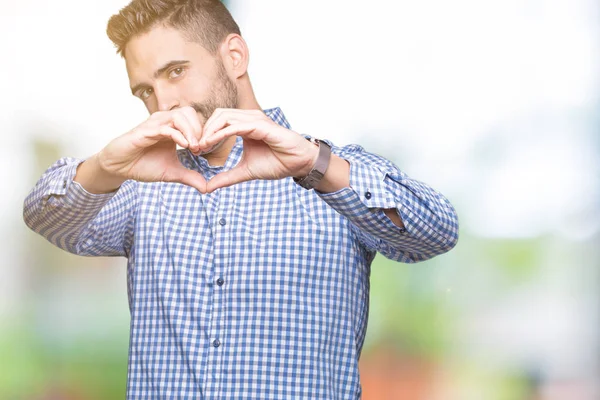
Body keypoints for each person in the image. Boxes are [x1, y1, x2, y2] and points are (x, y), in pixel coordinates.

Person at [23, 0, 459, 398]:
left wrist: (313, 164)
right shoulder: (140, 186)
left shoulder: (333, 175)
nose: (163, 105)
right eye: (145, 91)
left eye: (176, 72)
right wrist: (105, 165)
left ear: (234, 56)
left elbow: (437, 232)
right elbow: (47, 217)